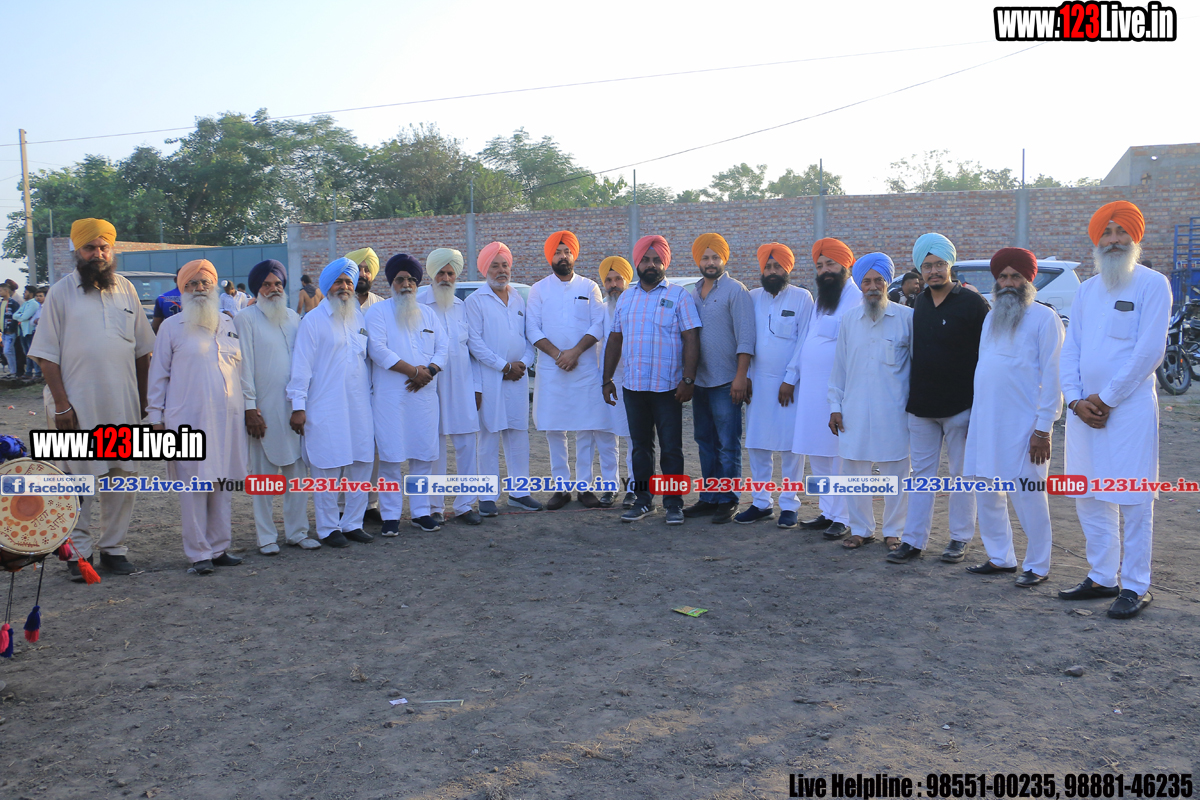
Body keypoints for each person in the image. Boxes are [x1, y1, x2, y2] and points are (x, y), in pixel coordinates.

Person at [1059, 200, 1170, 619]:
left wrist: (1106, 399)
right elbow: (1071, 350)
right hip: (1084, 411)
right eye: (1106, 233)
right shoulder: (1086, 291)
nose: (1113, 240)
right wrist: (1075, 400)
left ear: (1135, 237)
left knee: (1134, 495)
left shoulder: (1152, 284)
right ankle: (1102, 576)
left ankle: (1136, 584)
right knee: (1087, 492)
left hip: (1128, 408)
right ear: (1096, 240)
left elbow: (1149, 351)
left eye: (1121, 231)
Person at [30, 219, 154, 580]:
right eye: (90, 248)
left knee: (122, 477)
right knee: (75, 480)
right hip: (76, 407)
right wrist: (62, 404)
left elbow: (143, 352)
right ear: (77, 251)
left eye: (104, 248)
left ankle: (114, 549)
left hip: (123, 404)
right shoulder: (60, 293)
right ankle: (79, 554)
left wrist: (145, 404)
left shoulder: (126, 289)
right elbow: (46, 356)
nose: (98, 254)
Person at [962, 248, 1063, 585]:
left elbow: (1053, 378)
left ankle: (1038, 566)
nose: (1007, 283)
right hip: (987, 421)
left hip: (1025, 426)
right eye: (1002, 277)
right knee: (987, 491)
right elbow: (985, 369)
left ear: (1028, 280)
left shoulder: (1045, 318)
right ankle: (1000, 557)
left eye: (1015, 277)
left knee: (1029, 495)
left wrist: (1043, 430)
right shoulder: (991, 317)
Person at [890, 233, 989, 565]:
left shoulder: (973, 303)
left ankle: (959, 538)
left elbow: (988, 354)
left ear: (950, 265)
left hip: (961, 406)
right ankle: (913, 540)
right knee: (921, 476)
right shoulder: (918, 303)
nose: (933, 271)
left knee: (962, 476)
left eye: (939, 264)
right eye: (927, 266)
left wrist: (980, 404)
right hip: (922, 406)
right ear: (920, 269)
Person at [146, 259, 249, 574]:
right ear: (182, 290)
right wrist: (156, 419)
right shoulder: (170, 327)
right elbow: (158, 376)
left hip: (228, 420)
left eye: (205, 282)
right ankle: (199, 554)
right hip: (186, 422)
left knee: (222, 484)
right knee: (193, 488)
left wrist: (249, 408)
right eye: (192, 284)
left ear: (215, 286)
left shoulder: (229, 322)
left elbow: (242, 371)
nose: (199, 288)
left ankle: (219, 548)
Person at [602, 235, 701, 525]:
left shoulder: (679, 296)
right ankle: (643, 501)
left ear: (665, 263)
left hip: (668, 388)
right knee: (640, 448)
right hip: (633, 386)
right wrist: (606, 379)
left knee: (671, 449)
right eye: (646, 260)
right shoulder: (626, 298)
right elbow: (615, 339)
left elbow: (691, 338)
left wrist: (688, 379)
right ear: (637, 263)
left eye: (657, 260)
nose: (651, 265)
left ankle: (673, 504)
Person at [286, 257, 376, 547]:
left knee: (361, 462)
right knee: (327, 466)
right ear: (327, 286)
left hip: (359, 406)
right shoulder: (313, 321)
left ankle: (353, 523)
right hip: (325, 406)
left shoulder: (359, 318)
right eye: (339, 281)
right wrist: (298, 407)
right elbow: (301, 367)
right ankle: (327, 528)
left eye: (349, 281)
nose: (345, 287)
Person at [828, 253, 913, 550]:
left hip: (894, 411)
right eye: (867, 281)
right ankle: (861, 529)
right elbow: (839, 368)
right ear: (860, 285)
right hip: (854, 411)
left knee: (896, 473)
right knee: (854, 473)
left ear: (888, 283)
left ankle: (894, 531)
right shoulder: (849, 320)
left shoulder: (907, 319)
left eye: (879, 281)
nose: (873, 287)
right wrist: (835, 407)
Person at [234, 259, 318, 555]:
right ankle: (266, 537)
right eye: (267, 285)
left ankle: (297, 532)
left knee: (298, 475)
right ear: (257, 289)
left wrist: (303, 405)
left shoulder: (294, 318)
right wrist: (249, 407)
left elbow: (304, 364)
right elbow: (243, 366)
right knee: (263, 477)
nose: (273, 289)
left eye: (278, 284)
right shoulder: (245, 319)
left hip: (294, 410)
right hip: (263, 411)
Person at [782, 238, 860, 536]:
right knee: (817, 452)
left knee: (839, 456)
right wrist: (792, 376)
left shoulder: (856, 298)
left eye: (831, 264)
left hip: (840, 392)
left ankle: (845, 518)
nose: (825, 270)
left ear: (846, 265)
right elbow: (807, 341)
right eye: (820, 265)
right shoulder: (822, 299)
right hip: (812, 391)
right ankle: (828, 512)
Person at [527, 231, 610, 509]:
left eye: (567, 251)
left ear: (574, 255)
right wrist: (558, 355)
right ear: (550, 257)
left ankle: (585, 487)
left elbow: (598, 324)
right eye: (557, 252)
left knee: (585, 428)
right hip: (552, 369)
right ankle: (561, 488)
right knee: (555, 429)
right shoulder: (539, 289)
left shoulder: (589, 286)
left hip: (584, 367)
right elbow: (532, 328)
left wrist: (574, 353)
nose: (563, 256)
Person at [366, 254, 448, 534]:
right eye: (400, 279)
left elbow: (443, 348)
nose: (407, 284)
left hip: (424, 397)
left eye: (412, 279)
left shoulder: (428, 313)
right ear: (391, 282)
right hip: (391, 398)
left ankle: (420, 512)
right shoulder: (378, 312)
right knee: (390, 458)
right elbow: (377, 350)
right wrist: (413, 372)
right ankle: (390, 516)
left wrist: (430, 371)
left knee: (423, 456)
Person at [736, 244, 813, 526]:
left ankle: (790, 505)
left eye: (777, 266)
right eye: (767, 267)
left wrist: (790, 379)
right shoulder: (752, 297)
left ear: (787, 269)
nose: (772, 271)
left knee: (792, 447)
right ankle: (761, 503)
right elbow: (745, 338)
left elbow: (804, 340)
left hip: (789, 385)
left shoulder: (802, 297)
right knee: (758, 444)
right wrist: (745, 376)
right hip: (757, 383)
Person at [465, 242, 543, 514]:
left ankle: (519, 493)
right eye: (495, 265)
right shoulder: (475, 301)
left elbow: (528, 337)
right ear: (485, 269)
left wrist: (523, 363)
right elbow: (474, 343)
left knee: (518, 435)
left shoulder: (519, 299)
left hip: (517, 378)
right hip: (490, 379)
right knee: (488, 436)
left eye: (505, 265)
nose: (501, 270)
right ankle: (487, 497)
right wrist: (503, 366)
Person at [684, 233, 755, 524]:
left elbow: (746, 337)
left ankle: (728, 499)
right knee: (705, 441)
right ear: (698, 261)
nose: (710, 262)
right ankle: (709, 497)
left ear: (724, 259)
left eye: (715, 257)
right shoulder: (692, 294)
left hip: (726, 380)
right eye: (705, 257)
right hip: (700, 381)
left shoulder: (736, 291)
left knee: (727, 443)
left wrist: (741, 376)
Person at [417, 248, 483, 525]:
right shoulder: (418, 304)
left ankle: (465, 505)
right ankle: (434, 506)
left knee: (467, 443)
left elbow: (472, 349)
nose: (445, 278)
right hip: (430, 386)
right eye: (441, 273)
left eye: (450, 273)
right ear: (432, 275)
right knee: (434, 447)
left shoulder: (461, 306)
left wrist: (477, 386)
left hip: (462, 385)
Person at [346, 247, 384, 520]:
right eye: (357, 269)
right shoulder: (337, 303)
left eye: (366, 269)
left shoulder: (381, 306)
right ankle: (342, 506)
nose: (362, 274)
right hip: (345, 389)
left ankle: (371, 504)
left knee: (375, 448)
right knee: (345, 447)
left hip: (378, 389)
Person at [598, 256, 636, 508]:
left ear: (627, 280)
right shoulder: (600, 309)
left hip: (633, 379)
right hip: (605, 379)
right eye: (609, 280)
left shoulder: (636, 306)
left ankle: (634, 487)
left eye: (618, 279)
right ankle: (609, 486)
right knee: (606, 434)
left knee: (635, 436)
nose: (613, 285)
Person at [13, 287, 39, 378]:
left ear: (31, 293)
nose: (24, 293)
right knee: (27, 353)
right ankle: (28, 372)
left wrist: (21, 316)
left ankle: (37, 373)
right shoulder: (25, 304)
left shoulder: (34, 304)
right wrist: (22, 316)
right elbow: (14, 315)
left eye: (26, 292)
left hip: (30, 331)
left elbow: (24, 317)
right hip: (23, 330)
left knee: (32, 353)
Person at [0, 282, 20, 377]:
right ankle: (12, 371)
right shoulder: (1, 303)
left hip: (9, 331)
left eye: (1, 290)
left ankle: (14, 371)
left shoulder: (13, 303)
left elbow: (15, 317)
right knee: (8, 351)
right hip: (3, 331)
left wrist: (11, 328)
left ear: (6, 290)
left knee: (8, 351)